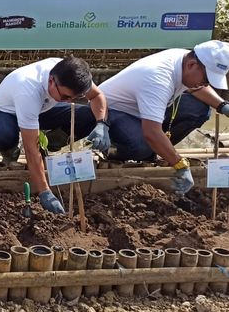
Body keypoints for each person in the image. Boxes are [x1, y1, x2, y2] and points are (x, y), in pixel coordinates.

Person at [76, 40, 229, 197]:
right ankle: (118, 151)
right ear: (191, 65)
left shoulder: (184, 59)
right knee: (142, 146)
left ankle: (158, 149)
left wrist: (222, 106)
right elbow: (151, 131)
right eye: (206, 79)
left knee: (199, 110)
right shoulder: (158, 78)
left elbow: (197, 87)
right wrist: (180, 165)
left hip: (140, 110)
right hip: (111, 112)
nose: (204, 84)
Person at [0, 56, 108, 214]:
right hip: (6, 111)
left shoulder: (72, 73)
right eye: (66, 97)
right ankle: (10, 152)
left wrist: (101, 124)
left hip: (44, 108)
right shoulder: (28, 90)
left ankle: (52, 146)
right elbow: (31, 150)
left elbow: (96, 96)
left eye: (76, 97)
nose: (69, 101)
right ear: (51, 81)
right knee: (4, 134)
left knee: (88, 116)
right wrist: (45, 192)